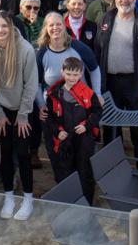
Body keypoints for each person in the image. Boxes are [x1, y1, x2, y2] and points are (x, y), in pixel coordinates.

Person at [91, 0, 138, 165]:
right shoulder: (105, 20)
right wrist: (97, 87)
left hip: (136, 83)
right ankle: (114, 168)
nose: (124, 0)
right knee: (111, 130)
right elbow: (97, 52)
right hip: (110, 83)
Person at [0, 12, 38, 220]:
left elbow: (31, 85)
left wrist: (23, 116)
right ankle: (9, 197)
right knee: (4, 152)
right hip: (1, 111)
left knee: (23, 154)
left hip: (23, 109)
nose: (0, 30)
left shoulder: (25, 49)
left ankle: (28, 199)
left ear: (10, 26)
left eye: (4, 26)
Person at [44, 55, 103, 204]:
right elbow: (50, 117)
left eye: (75, 74)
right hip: (64, 139)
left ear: (81, 74)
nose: (72, 77)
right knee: (64, 171)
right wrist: (58, 132)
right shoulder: (54, 94)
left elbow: (97, 112)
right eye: (69, 74)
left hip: (83, 139)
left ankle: (87, 203)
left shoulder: (88, 93)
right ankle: (67, 203)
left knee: (85, 171)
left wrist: (86, 126)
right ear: (62, 72)